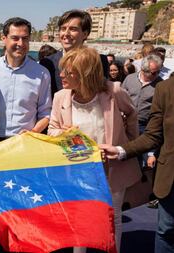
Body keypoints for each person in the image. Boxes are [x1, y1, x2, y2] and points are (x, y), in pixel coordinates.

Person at [48, 47, 141, 253]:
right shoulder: (60, 97)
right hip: (78, 171)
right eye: (61, 70)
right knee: (81, 218)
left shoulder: (113, 92)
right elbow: (52, 129)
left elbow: (132, 114)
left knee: (113, 216)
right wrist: (64, 135)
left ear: (85, 73)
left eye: (68, 71)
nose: (61, 75)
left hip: (113, 168)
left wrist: (127, 146)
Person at [101, 75, 174, 253]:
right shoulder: (166, 88)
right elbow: (153, 135)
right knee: (166, 231)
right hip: (171, 176)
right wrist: (121, 150)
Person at [0, 17, 51, 143]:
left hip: (25, 143)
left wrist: (34, 132)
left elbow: (46, 113)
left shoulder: (42, 73)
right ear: (4, 38)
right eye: (15, 38)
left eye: (25, 38)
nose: (20, 43)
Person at [39, 9, 109, 96]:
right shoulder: (47, 63)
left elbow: (103, 93)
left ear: (85, 34)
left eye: (73, 29)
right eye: (63, 29)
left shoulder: (99, 61)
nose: (66, 34)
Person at [122, 54, 162, 169]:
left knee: (145, 163)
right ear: (144, 70)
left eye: (158, 72)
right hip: (126, 124)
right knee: (126, 157)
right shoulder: (130, 79)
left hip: (145, 127)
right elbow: (120, 98)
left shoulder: (160, 85)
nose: (157, 75)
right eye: (154, 73)